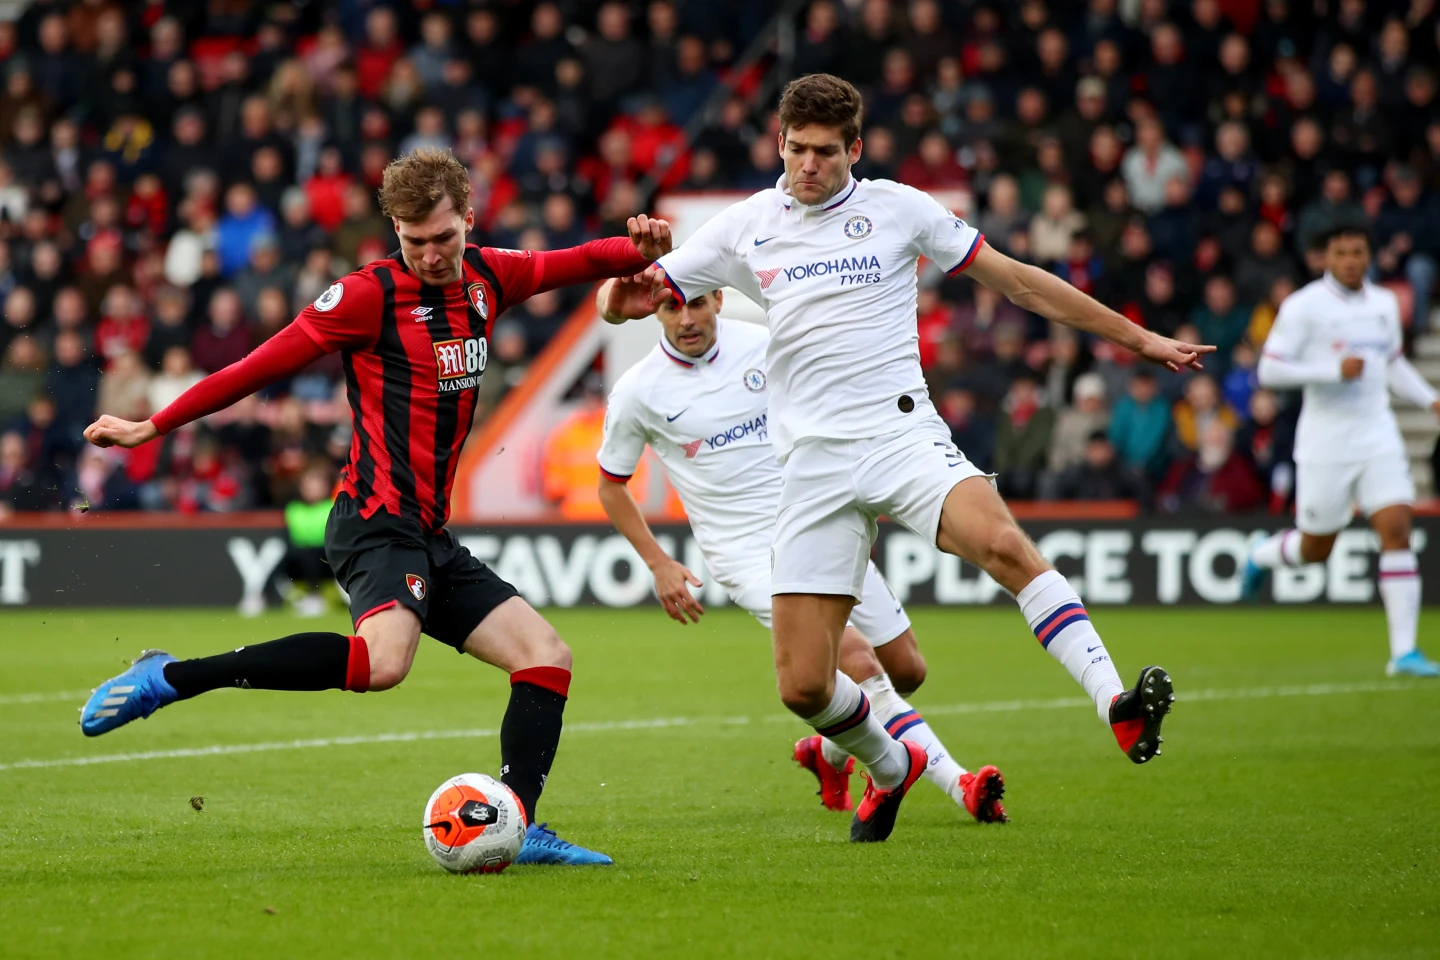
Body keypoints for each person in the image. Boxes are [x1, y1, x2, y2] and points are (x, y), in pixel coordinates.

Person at [635, 74, 1201, 843]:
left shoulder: (899, 209)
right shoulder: (745, 227)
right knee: (804, 685)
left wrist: (1138, 339)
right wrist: (627, 275)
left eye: (826, 153)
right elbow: (626, 301)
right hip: (811, 469)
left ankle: (1115, 705)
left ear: (855, 150)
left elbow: (1020, 283)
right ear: (779, 144)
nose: (809, 166)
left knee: (1004, 545)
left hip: (901, 435)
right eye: (797, 149)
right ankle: (890, 765)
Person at [76, 148, 675, 865]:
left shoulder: (489, 276)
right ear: (394, 229)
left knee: (547, 658)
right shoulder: (367, 297)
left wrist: (637, 245)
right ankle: (170, 677)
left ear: (468, 220)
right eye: (412, 240)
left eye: (443, 238)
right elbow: (256, 365)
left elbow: (578, 260)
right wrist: (153, 425)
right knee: (384, 663)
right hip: (372, 521)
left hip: (428, 531)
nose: (428, 254)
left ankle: (518, 821)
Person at [593, 279, 1008, 824]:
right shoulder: (637, 390)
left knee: (904, 670)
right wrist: (659, 563)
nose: (687, 318)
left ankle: (829, 751)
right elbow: (610, 484)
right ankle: (962, 785)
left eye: (697, 302)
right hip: (746, 552)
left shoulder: (766, 343)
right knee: (856, 660)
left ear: (718, 299)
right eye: (672, 306)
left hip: (818, 521)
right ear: (656, 310)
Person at [1242, 226, 1440, 677]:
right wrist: (1332, 369)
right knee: (1316, 548)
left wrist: (1429, 398)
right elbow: (1270, 370)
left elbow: (1391, 361)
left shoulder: (1385, 303)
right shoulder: (1303, 306)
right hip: (1325, 439)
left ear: (1369, 255)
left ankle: (1404, 653)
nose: (1351, 260)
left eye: (1358, 252)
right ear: (1325, 257)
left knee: (1395, 527)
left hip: (1377, 432)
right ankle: (1260, 554)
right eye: (1341, 252)